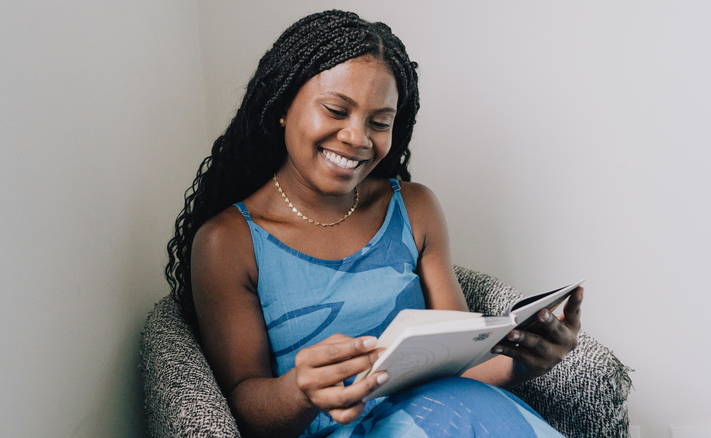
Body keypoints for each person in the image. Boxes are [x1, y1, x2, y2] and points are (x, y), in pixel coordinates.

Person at [165, 10, 582, 438]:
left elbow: (459, 371)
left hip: (456, 414)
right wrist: (299, 391)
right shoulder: (227, 242)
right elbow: (244, 413)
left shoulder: (414, 207)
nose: (357, 138)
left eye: (379, 122)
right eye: (335, 110)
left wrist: (526, 362)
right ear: (282, 106)